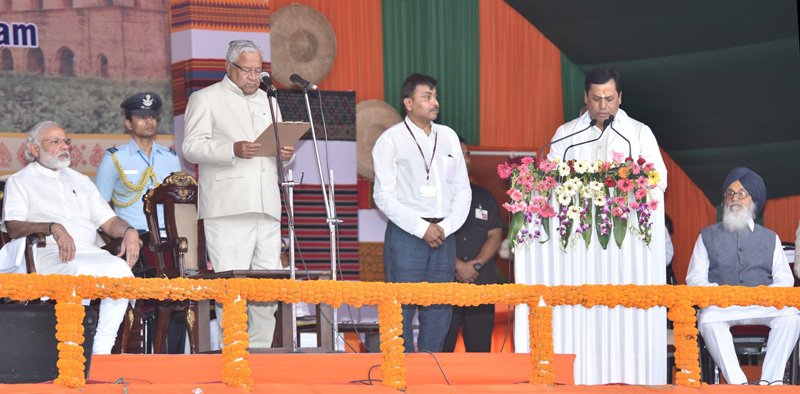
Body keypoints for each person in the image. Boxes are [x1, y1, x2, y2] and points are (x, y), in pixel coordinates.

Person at [182, 39, 294, 349]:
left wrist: (286, 153)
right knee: (232, 289)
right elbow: (191, 147)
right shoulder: (205, 99)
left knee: (267, 290)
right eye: (247, 70)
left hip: (267, 207)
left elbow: (281, 145)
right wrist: (231, 149)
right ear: (228, 67)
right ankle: (234, 357)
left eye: (259, 70)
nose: (253, 77)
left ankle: (258, 357)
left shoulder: (268, 100)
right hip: (227, 209)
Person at [1, 120, 140, 354]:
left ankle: (101, 352)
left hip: (87, 250)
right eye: (55, 141)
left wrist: (129, 231)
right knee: (78, 271)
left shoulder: (81, 180)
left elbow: (108, 221)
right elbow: (13, 226)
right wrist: (52, 227)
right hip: (45, 252)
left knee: (121, 271)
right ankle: (73, 351)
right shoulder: (19, 181)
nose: (64, 146)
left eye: (65, 141)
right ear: (35, 149)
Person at [372, 73, 471, 352]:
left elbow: (462, 189)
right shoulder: (391, 140)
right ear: (409, 103)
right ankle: (399, 372)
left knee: (439, 309)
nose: (434, 102)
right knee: (400, 306)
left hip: (443, 234)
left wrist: (446, 227)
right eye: (426, 97)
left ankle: (430, 371)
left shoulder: (449, 136)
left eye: (435, 96)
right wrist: (421, 228)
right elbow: (382, 195)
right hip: (407, 235)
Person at [686, 167, 800, 385]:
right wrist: (720, 294)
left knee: (791, 317)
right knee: (708, 319)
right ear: (724, 201)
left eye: (741, 193)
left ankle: (771, 382)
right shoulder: (707, 236)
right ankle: (739, 384)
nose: (734, 198)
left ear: (753, 201)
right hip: (723, 307)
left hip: (762, 305)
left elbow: (784, 279)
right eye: (730, 193)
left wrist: (763, 295)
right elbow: (695, 278)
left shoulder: (770, 238)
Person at [95, 92, 181, 275]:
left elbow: (179, 201)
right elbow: (98, 206)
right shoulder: (114, 158)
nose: (149, 122)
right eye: (141, 117)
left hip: (169, 237)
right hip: (135, 237)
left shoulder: (171, 157)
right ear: (128, 123)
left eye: (152, 117)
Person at [547, 68, 667, 190]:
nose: (603, 106)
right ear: (586, 97)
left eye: (609, 99)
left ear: (619, 97)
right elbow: (550, 180)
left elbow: (659, 180)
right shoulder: (565, 133)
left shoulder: (640, 133)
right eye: (596, 99)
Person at [443, 140, 502, 352]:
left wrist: (475, 265)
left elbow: (495, 234)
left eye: (467, 154)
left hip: (480, 283)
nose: (465, 159)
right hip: (446, 285)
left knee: (480, 350)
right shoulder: (437, 199)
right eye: (460, 154)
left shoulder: (484, 197)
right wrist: (458, 265)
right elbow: (432, 236)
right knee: (442, 350)